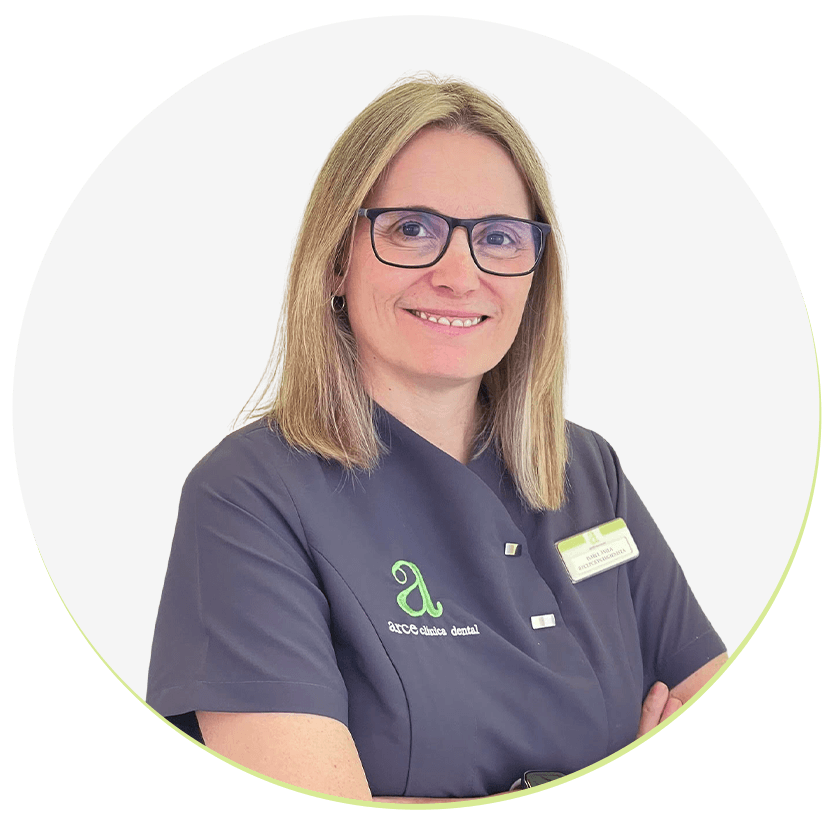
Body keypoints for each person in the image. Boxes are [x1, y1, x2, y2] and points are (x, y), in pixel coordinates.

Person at [145, 74, 728, 804]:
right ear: (336, 260)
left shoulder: (587, 472)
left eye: (499, 237)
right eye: (411, 229)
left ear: (534, 273)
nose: (460, 275)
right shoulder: (248, 497)